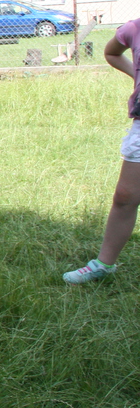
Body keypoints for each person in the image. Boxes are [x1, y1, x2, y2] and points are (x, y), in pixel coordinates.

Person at [63, 16, 140, 284]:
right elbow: (111, 52)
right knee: (125, 196)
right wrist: (136, 74)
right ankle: (103, 265)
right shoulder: (134, 28)